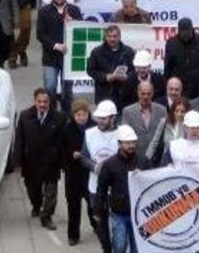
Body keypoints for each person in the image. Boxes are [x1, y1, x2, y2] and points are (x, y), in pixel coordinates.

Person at [16, 88, 66, 231]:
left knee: (51, 193)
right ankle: (37, 205)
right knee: (33, 190)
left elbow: (62, 140)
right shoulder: (25, 116)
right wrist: (17, 161)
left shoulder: (59, 117)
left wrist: (61, 159)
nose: (42, 105)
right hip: (31, 162)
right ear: (35, 101)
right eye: (39, 102)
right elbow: (19, 139)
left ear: (50, 102)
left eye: (45, 102)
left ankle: (47, 216)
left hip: (51, 162)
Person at [96, 125, 149, 253]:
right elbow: (101, 188)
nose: (131, 145)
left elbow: (153, 183)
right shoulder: (109, 164)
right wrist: (98, 210)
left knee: (137, 248)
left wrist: (143, 174)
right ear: (119, 144)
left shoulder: (143, 161)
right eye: (127, 143)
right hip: (118, 213)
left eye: (133, 142)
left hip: (139, 214)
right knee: (119, 246)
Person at [37, 0, 83, 111]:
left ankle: (66, 115)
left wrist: (72, 22)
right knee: (50, 87)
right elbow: (40, 34)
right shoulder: (44, 11)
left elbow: (81, 30)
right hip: (50, 56)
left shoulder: (74, 10)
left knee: (67, 89)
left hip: (68, 56)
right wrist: (56, 45)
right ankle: (51, 112)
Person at [81, 100, 119, 253]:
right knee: (101, 224)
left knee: (117, 223)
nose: (101, 121)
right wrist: (93, 166)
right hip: (95, 187)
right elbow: (83, 156)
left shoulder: (122, 134)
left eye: (104, 118)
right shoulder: (89, 134)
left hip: (116, 188)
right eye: (99, 118)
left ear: (113, 118)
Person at [63, 100, 97, 246]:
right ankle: (73, 235)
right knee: (73, 206)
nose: (82, 117)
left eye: (84, 114)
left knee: (93, 204)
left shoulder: (94, 127)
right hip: (73, 173)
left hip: (89, 173)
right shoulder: (67, 128)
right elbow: (61, 149)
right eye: (79, 115)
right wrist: (71, 154)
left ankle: (96, 226)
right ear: (73, 115)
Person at [87, 25, 136, 105]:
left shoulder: (129, 51)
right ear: (105, 37)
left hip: (125, 96)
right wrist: (105, 77)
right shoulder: (96, 52)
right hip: (104, 95)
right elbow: (90, 70)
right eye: (109, 36)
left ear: (119, 37)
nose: (112, 39)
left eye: (114, 36)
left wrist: (127, 77)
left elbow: (135, 70)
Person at [121, 80, 167, 159]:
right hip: (135, 157)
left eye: (148, 94)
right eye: (143, 94)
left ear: (153, 93)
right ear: (138, 93)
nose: (146, 97)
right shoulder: (128, 111)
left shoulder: (162, 110)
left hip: (156, 158)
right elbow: (125, 135)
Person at [146, 98, 189, 165]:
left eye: (182, 111)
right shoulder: (164, 122)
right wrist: (146, 160)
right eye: (176, 111)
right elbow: (154, 143)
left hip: (184, 162)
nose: (179, 114)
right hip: (166, 162)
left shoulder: (189, 125)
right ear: (172, 111)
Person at [163, 17, 199, 81]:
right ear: (179, 31)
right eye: (183, 34)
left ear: (192, 30)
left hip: (198, 80)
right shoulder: (171, 43)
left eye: (188, 33)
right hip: (178, 81)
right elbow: (167, 66)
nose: (186, 36)